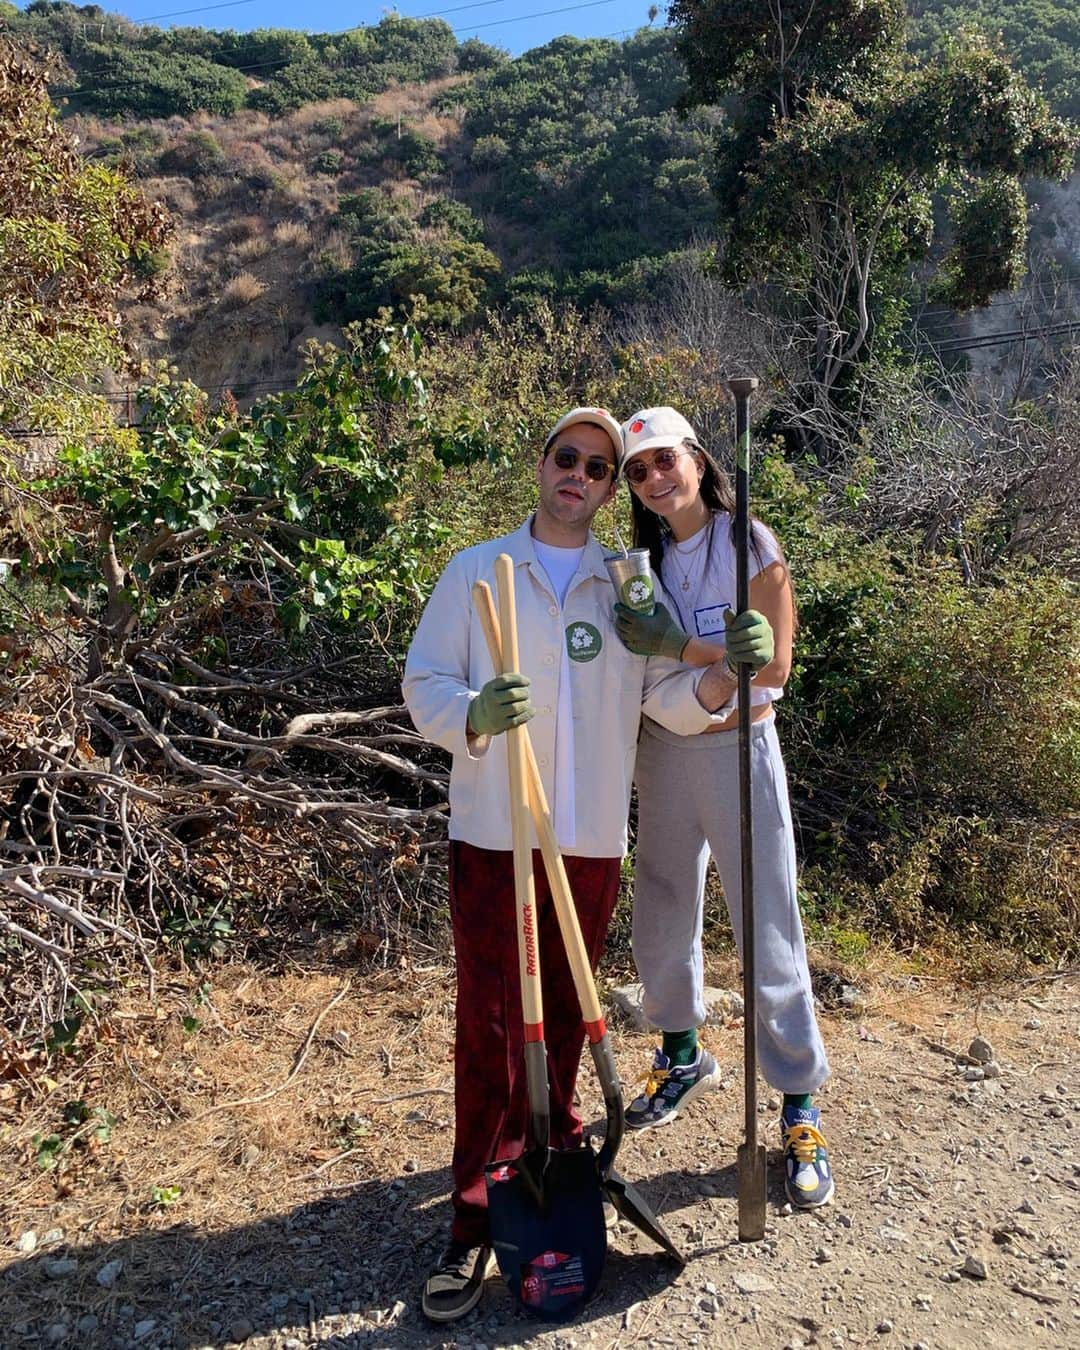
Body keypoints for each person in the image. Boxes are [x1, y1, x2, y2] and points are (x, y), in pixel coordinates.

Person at [403, 407, 742, 1322]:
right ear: (541, 463)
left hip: (588, 839)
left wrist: (724, 676)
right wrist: (474, 709)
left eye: (601, 469)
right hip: (492, 833)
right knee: (490, 1026)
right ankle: (474, 1220)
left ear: (609, 487)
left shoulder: (624, 586)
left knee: (562, 1024)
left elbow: (668, 691)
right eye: (569, 458)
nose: (581, 476)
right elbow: (423, 683)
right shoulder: (479, 573)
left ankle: (555, 1175)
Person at [611, 405, 833, 1211]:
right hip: (662, 753)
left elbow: (773, 667)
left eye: (665, 461)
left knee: (767, 922)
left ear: (699, 461)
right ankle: (681, 1052)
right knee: (663, 910)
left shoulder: (751, 544)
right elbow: (642, 659)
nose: (654, 478)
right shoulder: (641, 565)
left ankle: (800, 1106)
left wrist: (703, 659)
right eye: (638, 471)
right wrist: (691, 654)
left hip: (740, 748)